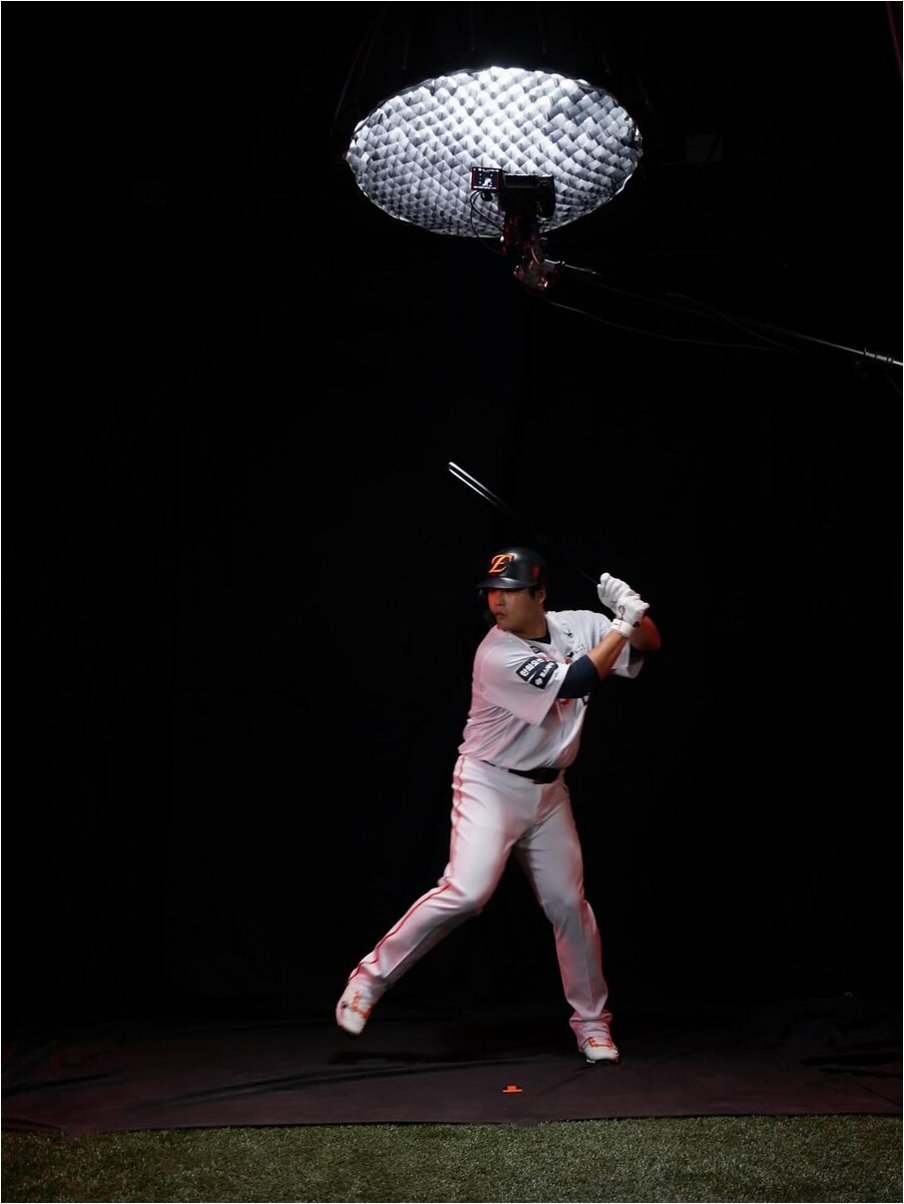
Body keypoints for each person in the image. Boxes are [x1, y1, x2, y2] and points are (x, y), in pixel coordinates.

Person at [335, 546, 661, 1064]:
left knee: (568, 904)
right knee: (467, 893)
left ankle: (593, 1025)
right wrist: (621, 625)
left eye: (510, 592)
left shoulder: (577, 625)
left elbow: (649, 644)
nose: (497, 602)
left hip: (549, 792)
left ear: (540, 594)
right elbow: (577, 681)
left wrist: (634, 614)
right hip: (490, 784)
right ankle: (367, 980)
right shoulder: (496, 652)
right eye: (491, 592)